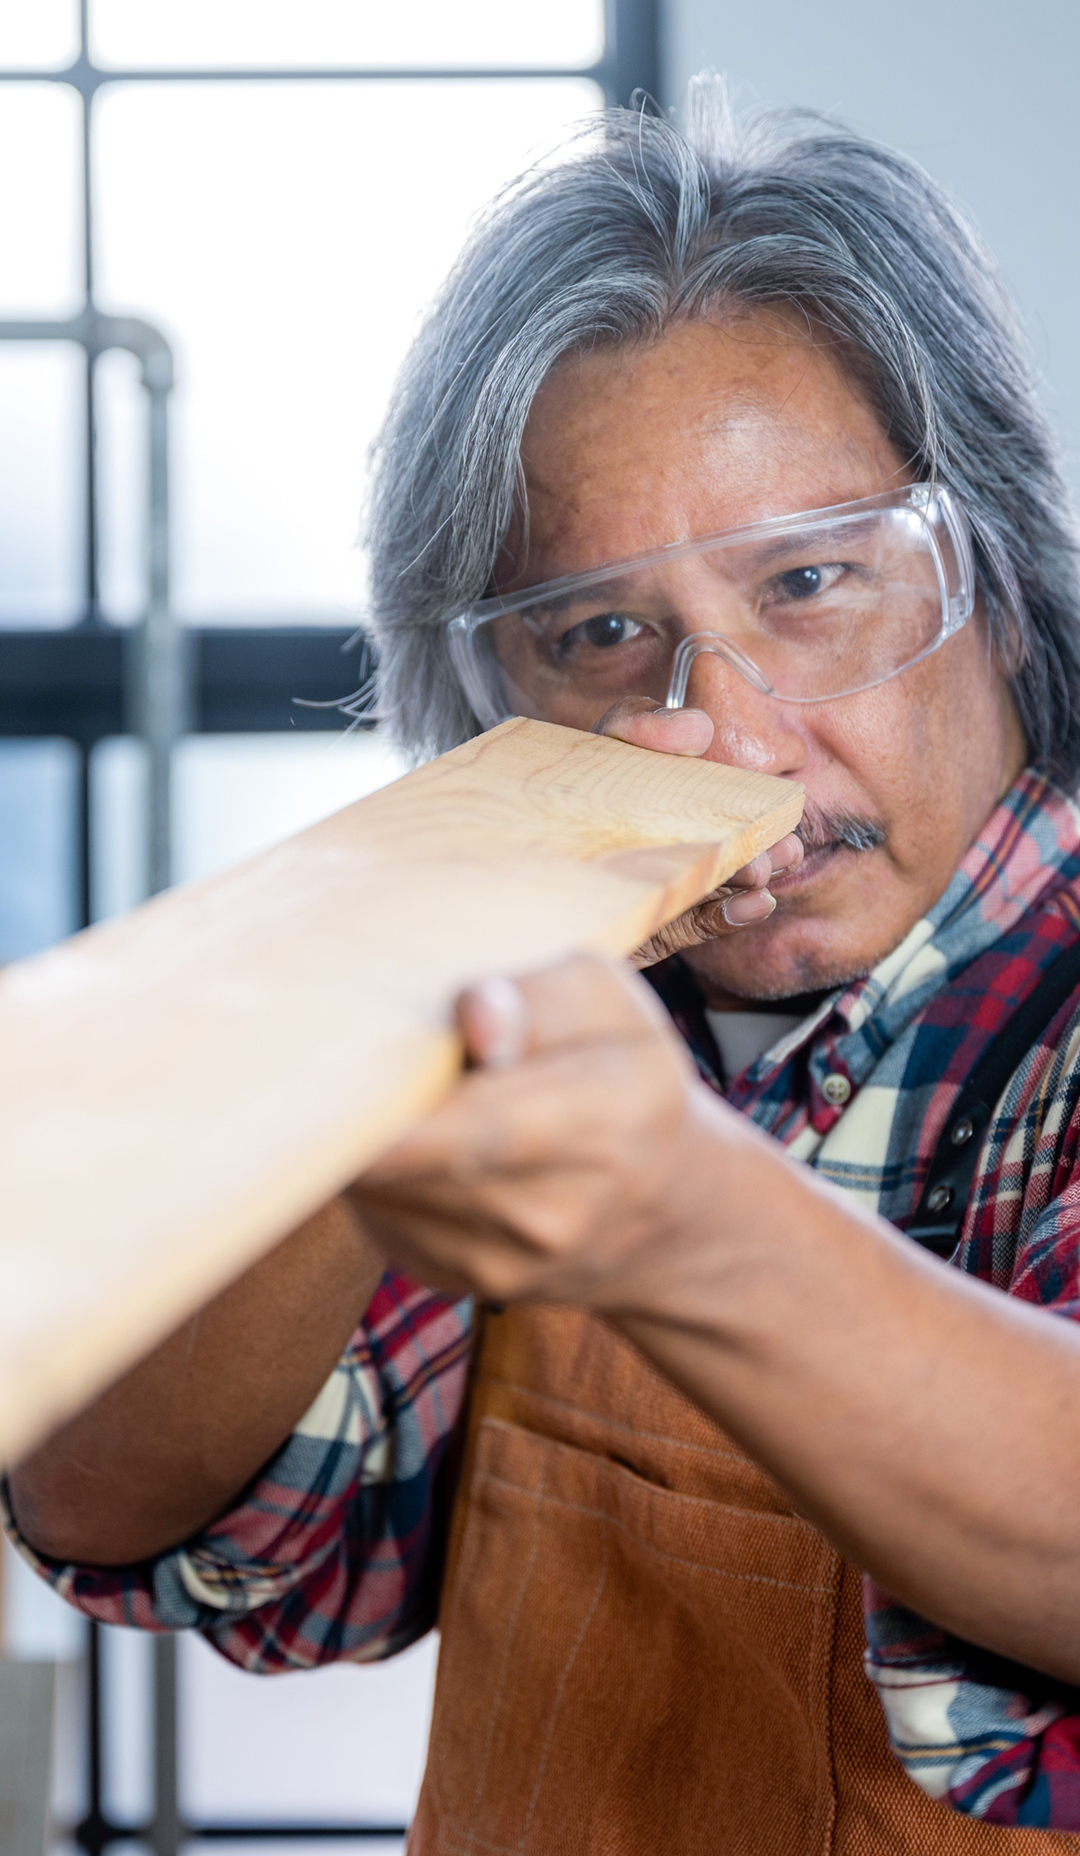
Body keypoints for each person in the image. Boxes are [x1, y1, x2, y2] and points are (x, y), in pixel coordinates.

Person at [10, 76, 1080, 1850]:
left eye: (810, 584)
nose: (728, 733)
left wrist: (685, 1219)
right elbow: (135, 1510)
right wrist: (400, 963)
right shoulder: (553, 1015)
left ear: (998, 572)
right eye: (603, 634)